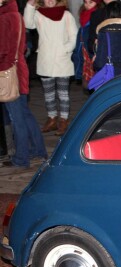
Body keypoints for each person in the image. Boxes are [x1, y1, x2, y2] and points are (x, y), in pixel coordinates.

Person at [0, 0, 48, 168]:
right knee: (25, 114)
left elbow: (4, 51)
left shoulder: (6, 17)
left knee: (17, 117)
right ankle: (38, 150)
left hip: (9, 74)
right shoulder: (14, 15)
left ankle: (21, 158)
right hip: (18, 71)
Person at [24, 0, 78, 136]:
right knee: (48, 94)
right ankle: (52, 119)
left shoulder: (66, 15)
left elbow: (74, 36)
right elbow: (27, 24)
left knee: (63, 94)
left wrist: (66, 50)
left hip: (63, 60)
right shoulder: (38, 14)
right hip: (45, 59)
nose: (50, 1)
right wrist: (29, 5)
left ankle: (64, 120)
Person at [72, 0, 102, 85]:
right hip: (85, 58)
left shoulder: (99, 17)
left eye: (91, 2)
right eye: (85, 2)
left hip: (93, 56)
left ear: (97, 3)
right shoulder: (84, 18)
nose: (87, 5)